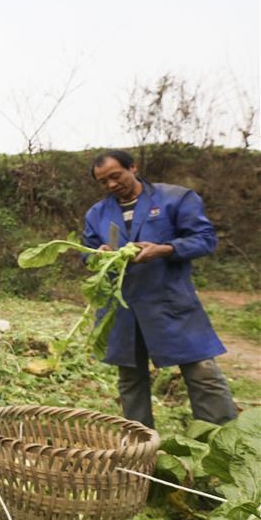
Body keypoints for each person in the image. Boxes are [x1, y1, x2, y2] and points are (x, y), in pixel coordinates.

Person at [83, 149, 237, 429]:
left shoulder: (174, 198)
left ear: (133, 167)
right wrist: (98, 254)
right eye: (103, 182)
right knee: (130, 380)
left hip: (170, 302)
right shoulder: (97, 213)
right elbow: (87, 252)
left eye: (115, 176)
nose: (111, 185)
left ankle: (222, 440)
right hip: (123, 308)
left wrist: (165, 249)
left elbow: (204, 239)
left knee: (202, 373)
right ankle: (140, 446)